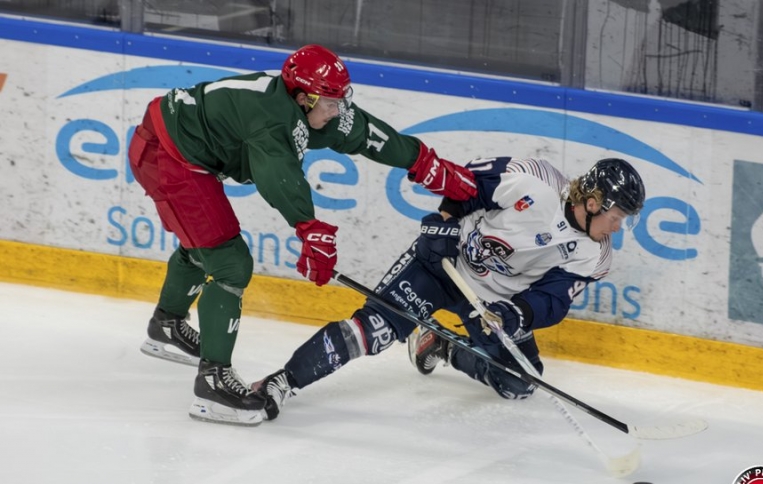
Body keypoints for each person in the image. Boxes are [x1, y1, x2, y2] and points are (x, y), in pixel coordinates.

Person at [127, 44, 477, 427]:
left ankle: (166, 326)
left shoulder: (308, 109)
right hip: (167, 155)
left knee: (204, 246)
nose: (337, 110)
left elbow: (363, 131)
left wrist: (421, 161)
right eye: (329, 103)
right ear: (303, 97)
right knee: (229, 261)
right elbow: (278, 176)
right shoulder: (273, 120)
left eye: (339, 100)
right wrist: (310, 229)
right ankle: (212, 384)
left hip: (180, 147)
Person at [252, 156, 646, 420]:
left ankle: (442, 345)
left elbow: (553, 298)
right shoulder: (533, 181)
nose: (619, 226)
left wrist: (516, 315)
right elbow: (467, 186)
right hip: (442, 265)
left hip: (493, 304)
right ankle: (282, 381)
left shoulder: (595, 256)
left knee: (520, 381)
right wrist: (443, 222)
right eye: (617, 216)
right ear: (592, 203)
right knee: (372, 331)